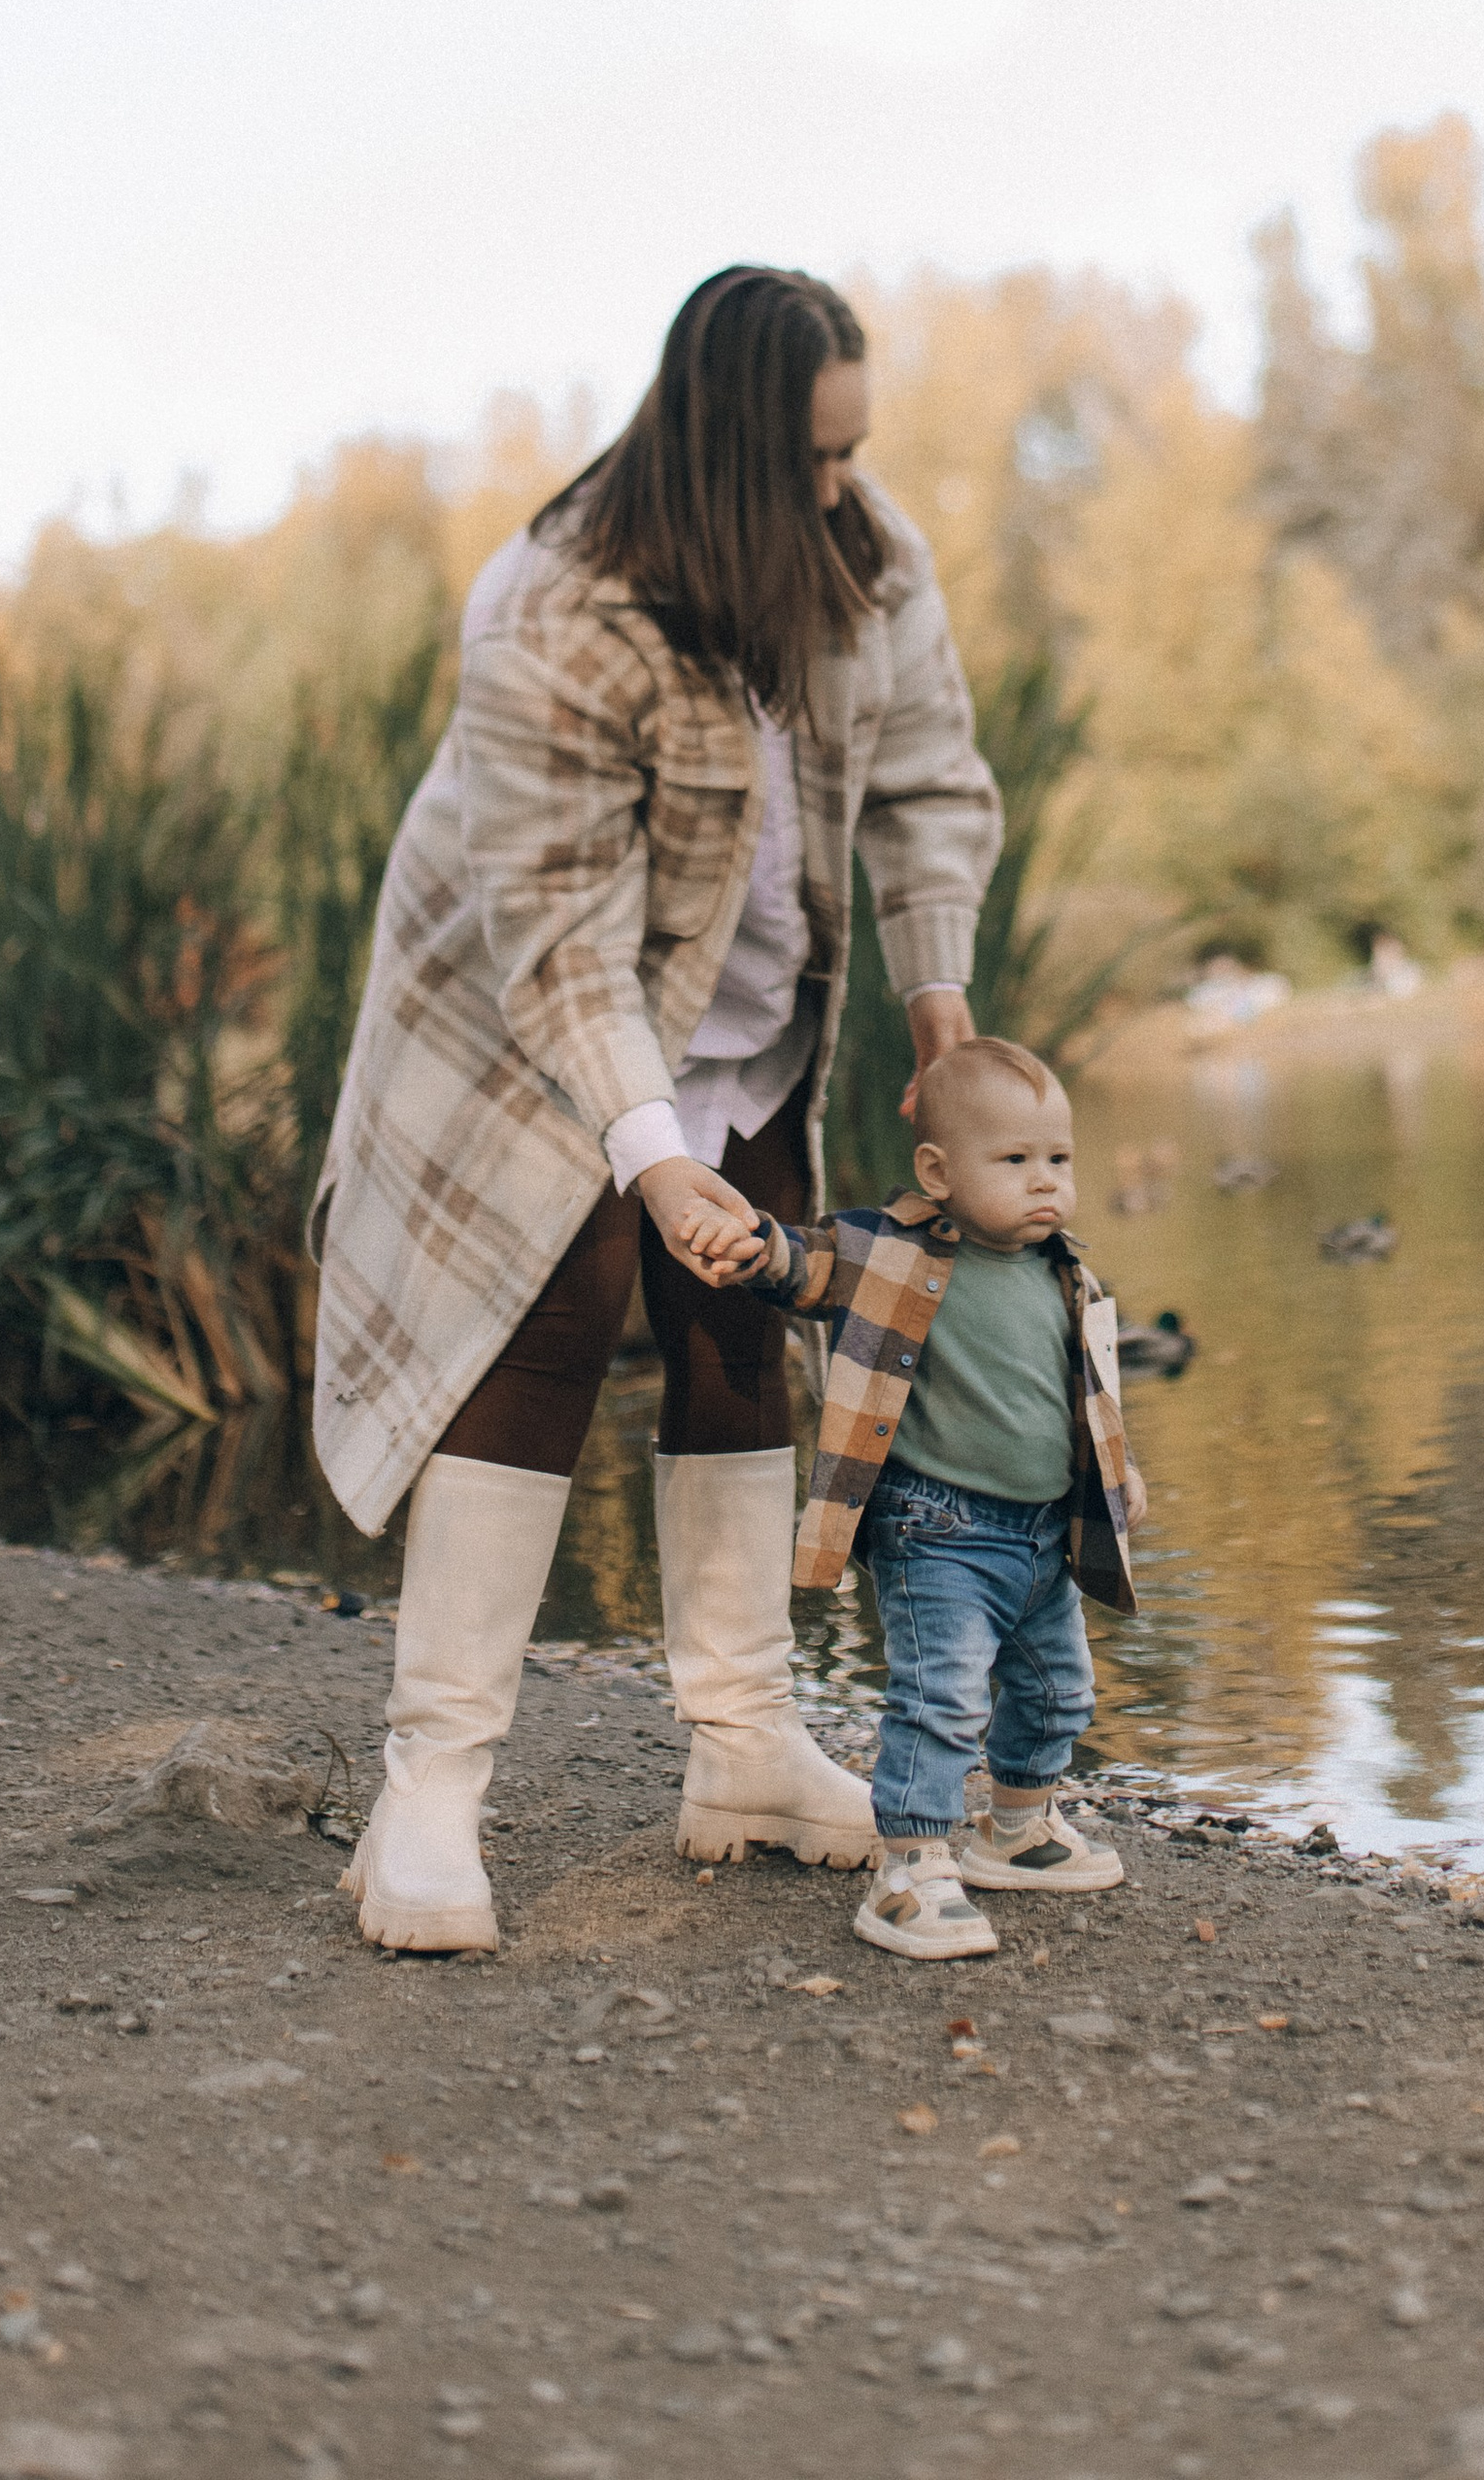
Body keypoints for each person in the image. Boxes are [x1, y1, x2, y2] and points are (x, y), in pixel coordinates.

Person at [309, 266, 1002, 1953]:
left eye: (858, 450)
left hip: (741, 1005)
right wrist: (649, 1156)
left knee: (737, 1327)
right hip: (527, 1013)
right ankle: (432, 1794)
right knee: (541, 1328)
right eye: (817, 458)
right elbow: (553, 945)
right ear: (728, 450)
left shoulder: (862, 557)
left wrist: (938, 1007)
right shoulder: (554, 610)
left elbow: (923, 782)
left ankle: (746, 1749)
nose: (847, 488)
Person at [693, 1035, 1142, 1961]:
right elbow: (805, 1264)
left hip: (1041, 1535)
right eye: (1014, 1162)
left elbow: (1085, 1392)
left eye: (1058, 1160)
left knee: (1059, 1689)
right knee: (942, 1699)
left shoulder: (1066, 1271)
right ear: (937, 1171)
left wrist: (1120, 1470)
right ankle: (911, 1868)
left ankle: (1017, 1827)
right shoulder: (892, 1252)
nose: (1045, 1182)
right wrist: (756, 1247)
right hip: (935, 1529)